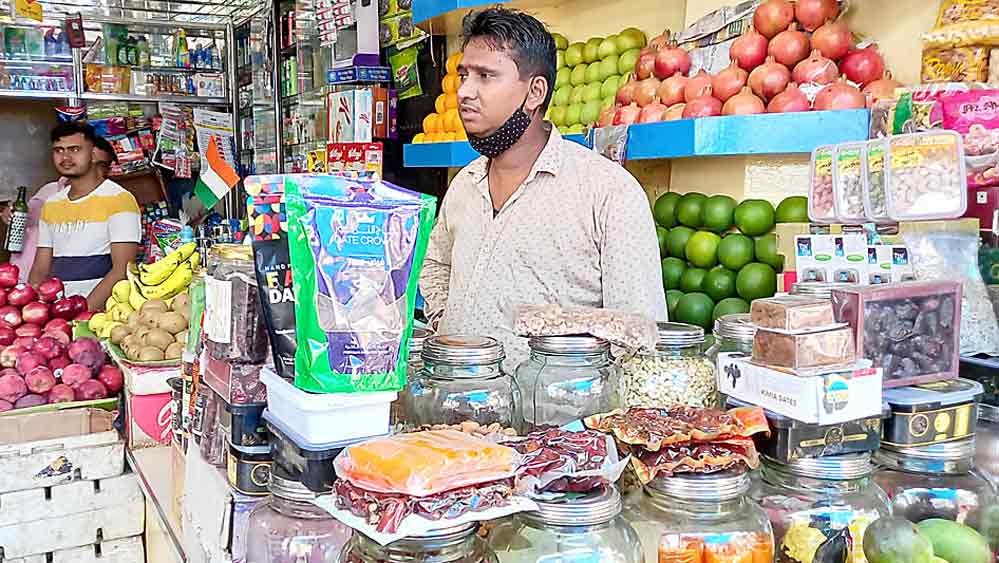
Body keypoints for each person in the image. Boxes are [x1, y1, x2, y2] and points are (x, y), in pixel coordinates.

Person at [419, 7, 667, 366]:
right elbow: (434, 263)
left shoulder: (607, 193)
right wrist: (449, 323)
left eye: (486, 76)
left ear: (535, 92)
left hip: (554, 417)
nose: (465, 93)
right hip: (459, 410)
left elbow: (640, 335)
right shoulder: (464, 184)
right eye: (464, 75)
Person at [29, 122, 140, 311]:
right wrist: (31, 308)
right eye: (59, 150)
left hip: (100, 315)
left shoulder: (119, 199)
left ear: (94, 153)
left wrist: (82, 312)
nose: (65, 157)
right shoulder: (52, 204)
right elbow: (41, 268)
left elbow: (123, 269)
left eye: (74, 149)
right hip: (58, 312)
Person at [4, 135, 118, 283]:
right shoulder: (50, 192)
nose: (93, 167)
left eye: (100, 164)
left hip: (72, 284)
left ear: (109, 169)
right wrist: (10, 215)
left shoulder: (113, 200)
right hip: (27, 277)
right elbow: (26, 220)